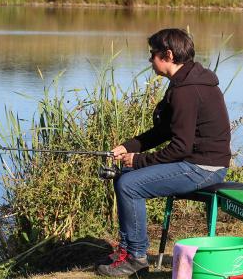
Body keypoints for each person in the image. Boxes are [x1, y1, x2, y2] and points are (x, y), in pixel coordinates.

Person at [97, 28, 231, 277]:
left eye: (152, 54)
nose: (150, 60)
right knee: (122, 175)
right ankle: (127, 249)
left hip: (204, 168)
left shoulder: (186, 91)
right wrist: (128, 147)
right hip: (195, 162)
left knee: (129, 185)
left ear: (167, 54)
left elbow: (180, 147)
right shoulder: (184, 82)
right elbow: (164, 132)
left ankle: (137, 258)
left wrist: (138, 161)